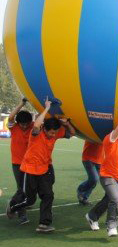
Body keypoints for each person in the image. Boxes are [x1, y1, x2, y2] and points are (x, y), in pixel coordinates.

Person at [7, 99, 75, 233]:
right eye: (51, 133)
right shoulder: (36, 134)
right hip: (29, 170)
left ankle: (44, 224)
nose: (53, 135)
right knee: (30, 200)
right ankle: (13, 207)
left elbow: (71, 133)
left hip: (44, 170)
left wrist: (66, 124)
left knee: (48, 195)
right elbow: (37, 124)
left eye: (55, 133)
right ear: (45, 129)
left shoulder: (54, 133)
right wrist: (47, 108)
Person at [86, 108, 118, 237]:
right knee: (116, 198)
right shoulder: (110, 141)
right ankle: (111, 226)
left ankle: (92, 216)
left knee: (108, 200)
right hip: (107, 176)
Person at [7, 98, 33, 224]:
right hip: (17, 164)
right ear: (18, 123)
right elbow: (11, 116)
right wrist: (22, 104)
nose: (24, 126)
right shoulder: (14, 127)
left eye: (26, 124)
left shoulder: (33, 126)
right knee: (22, 189)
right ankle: (21, 213)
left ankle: (13, 203)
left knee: (28, 189)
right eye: (22, 124)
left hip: (30, 163)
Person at [77, 140, 104, 205]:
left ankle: (84, 198)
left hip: (100, 160)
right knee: (94, 179)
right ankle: (81, 189)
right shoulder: (92, 133)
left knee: (94, 181)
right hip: (88, 158)